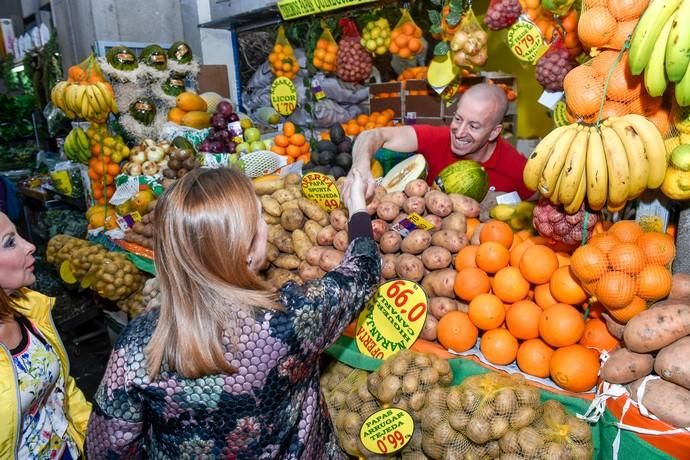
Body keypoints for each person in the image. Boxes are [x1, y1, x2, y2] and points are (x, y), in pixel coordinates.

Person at [86, 167, 381, 458]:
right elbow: (363, 271)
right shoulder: (289, 318)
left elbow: (105, 449)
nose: (266, 226)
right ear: (247, 249)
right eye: (259, 220)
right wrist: (356, 205)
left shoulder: (137, 345)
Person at [0, 211, 92, 459]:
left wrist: (92, 435)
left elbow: (60, 387)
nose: (29, 246)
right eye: (9, 242)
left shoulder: (28, 309)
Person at [350, 82, 533, 200]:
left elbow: (539, 204)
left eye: (474, 126)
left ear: (494, 132)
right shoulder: (438, 138)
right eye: (458, 119)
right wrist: (361, 165)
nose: (459, 133)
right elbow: (372, 135)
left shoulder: (517, 167)